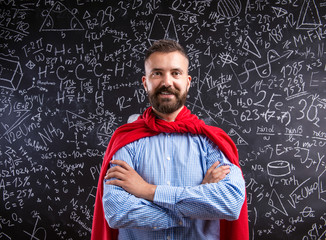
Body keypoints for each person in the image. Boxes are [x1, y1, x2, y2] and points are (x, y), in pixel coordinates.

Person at [91, 39, 249, 240]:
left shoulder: (211, 141)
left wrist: (148, 191)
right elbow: (117, 211)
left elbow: (231, 202)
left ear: (188, 82)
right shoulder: (127, 141)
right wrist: (196, 203)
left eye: (176, 73)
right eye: (157, 73)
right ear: (145, 82)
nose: (167, 82)